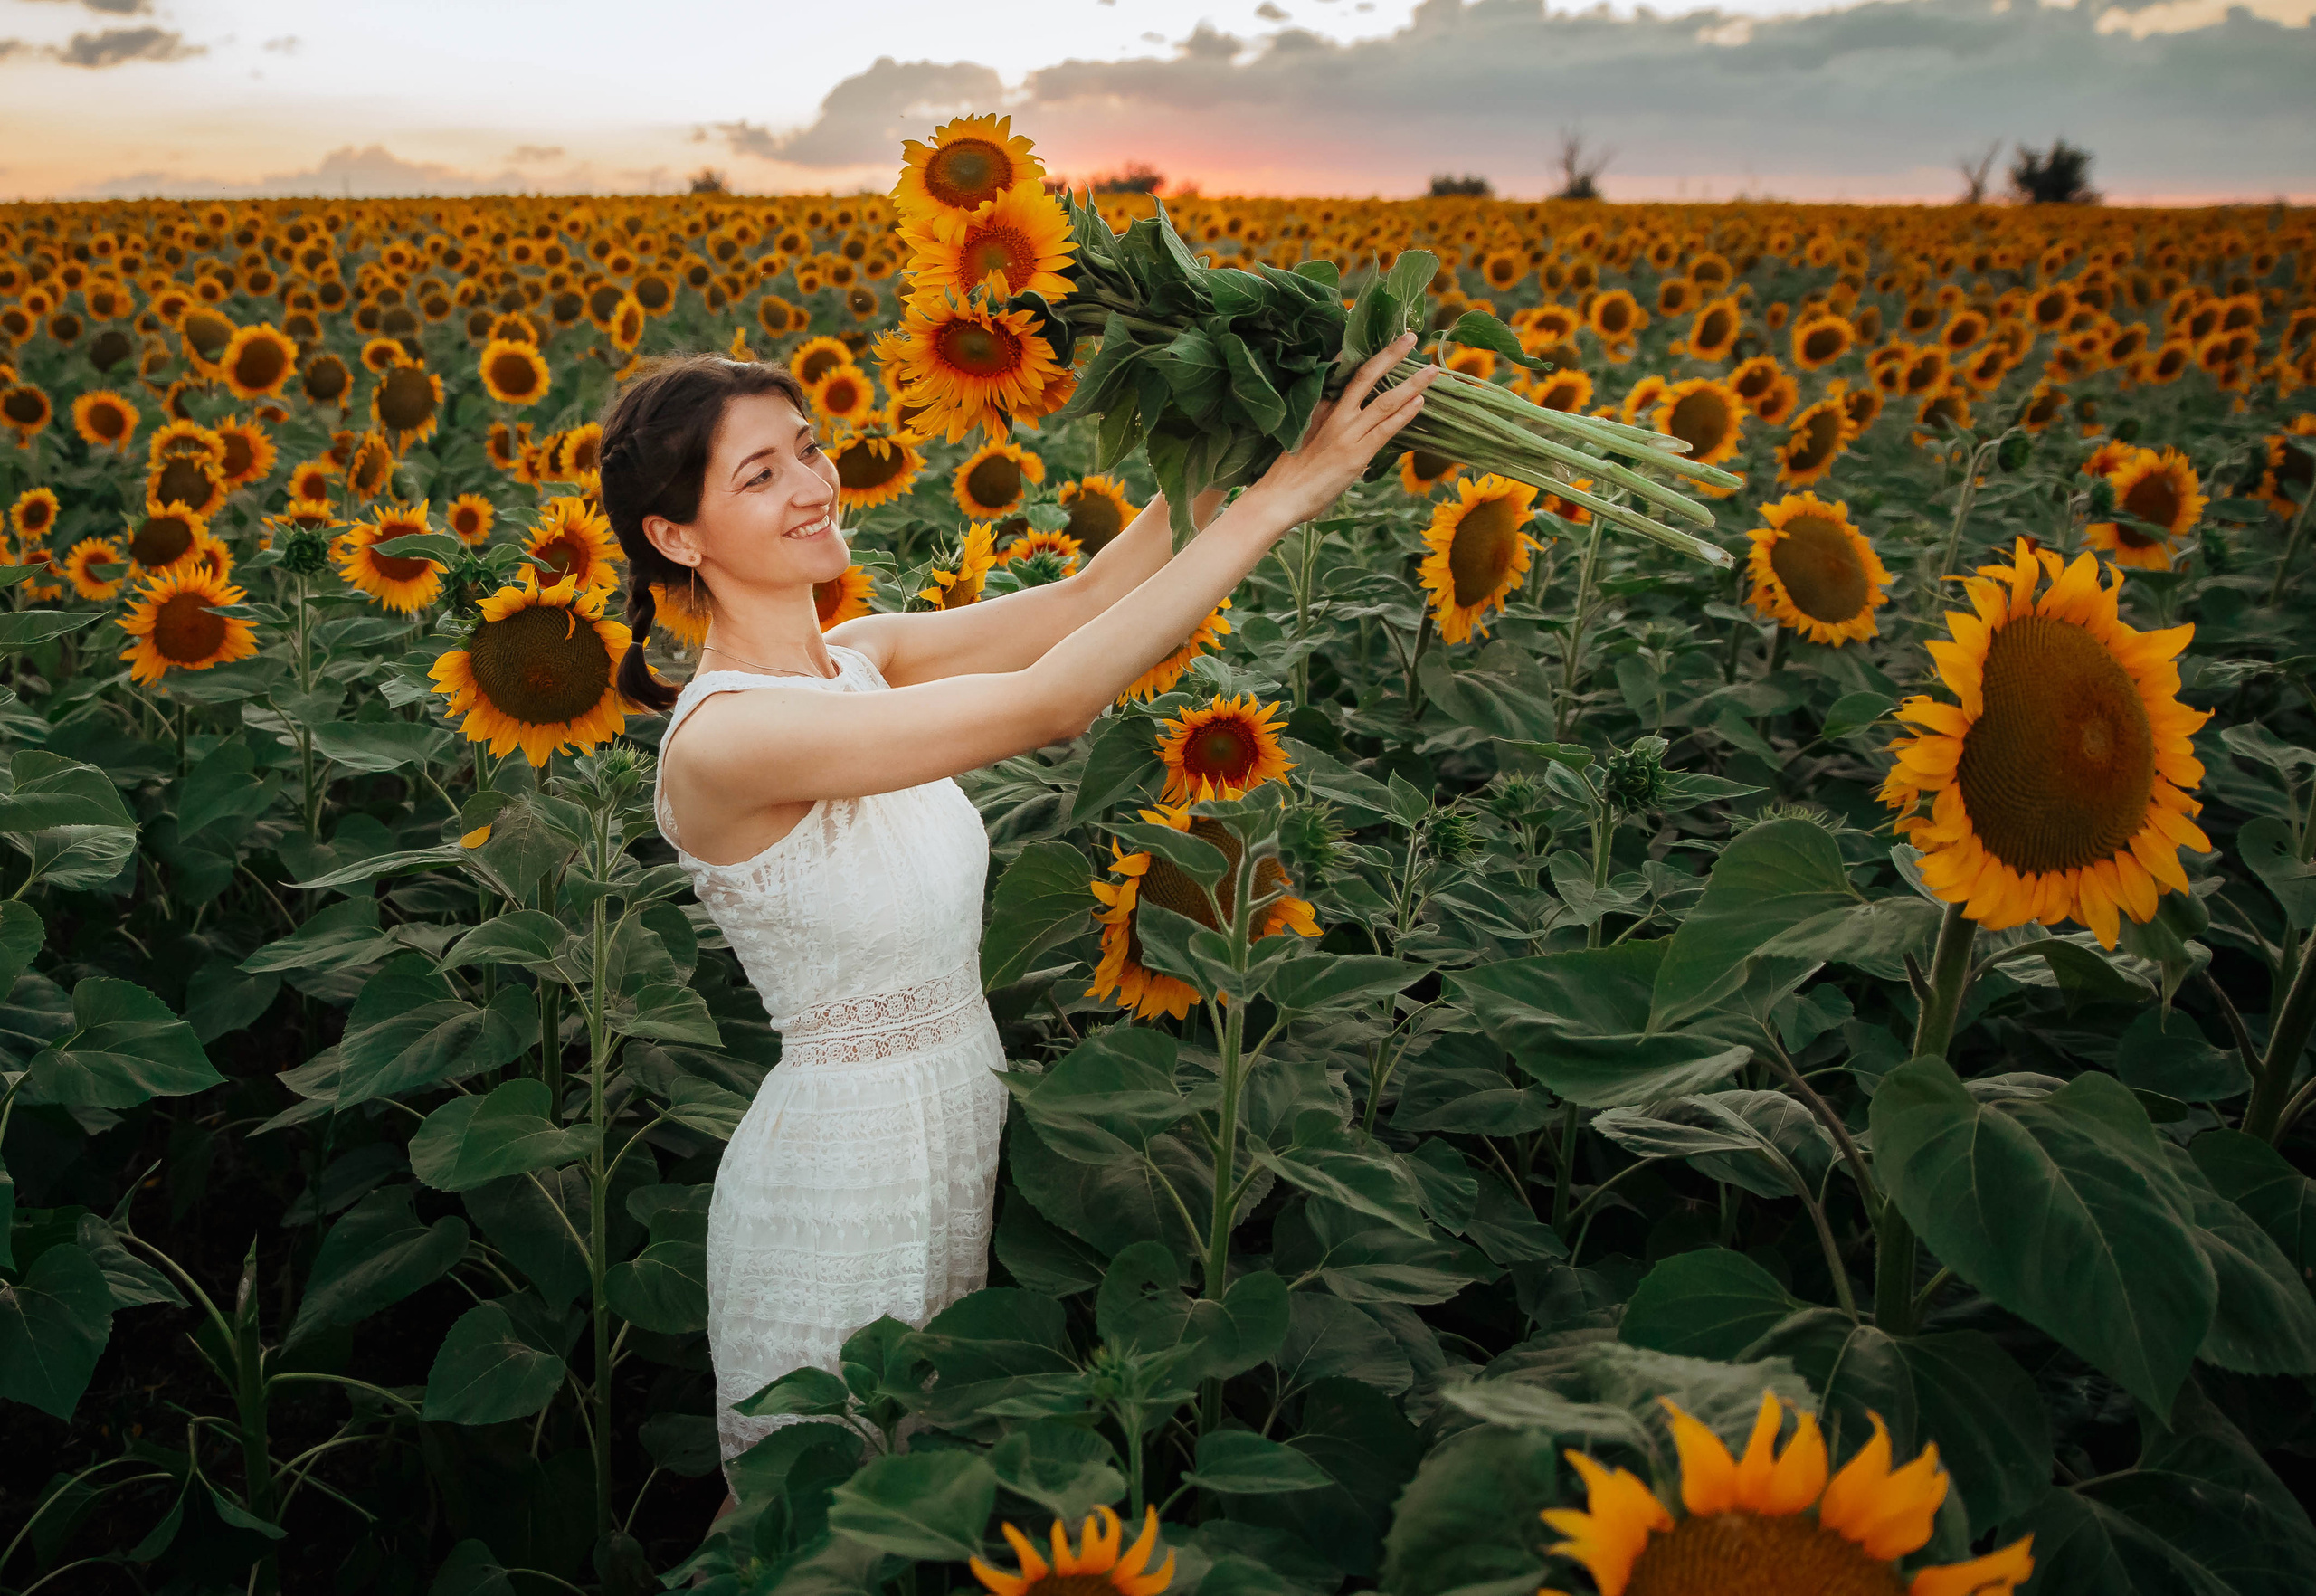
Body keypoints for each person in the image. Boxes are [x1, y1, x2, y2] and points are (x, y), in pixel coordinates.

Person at [593, 331, 1438, 1516]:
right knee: (815, 1525)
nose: (813, 484)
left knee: (924, 1507)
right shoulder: (728, 737)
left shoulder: (860, 663)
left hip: (957, 1125)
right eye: (761, 475)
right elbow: (1053, 702)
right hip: (841, 1175)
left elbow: (1090, 600)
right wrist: (1289, 498)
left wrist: (1236, 437)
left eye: (809, 449)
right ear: (677, 538)